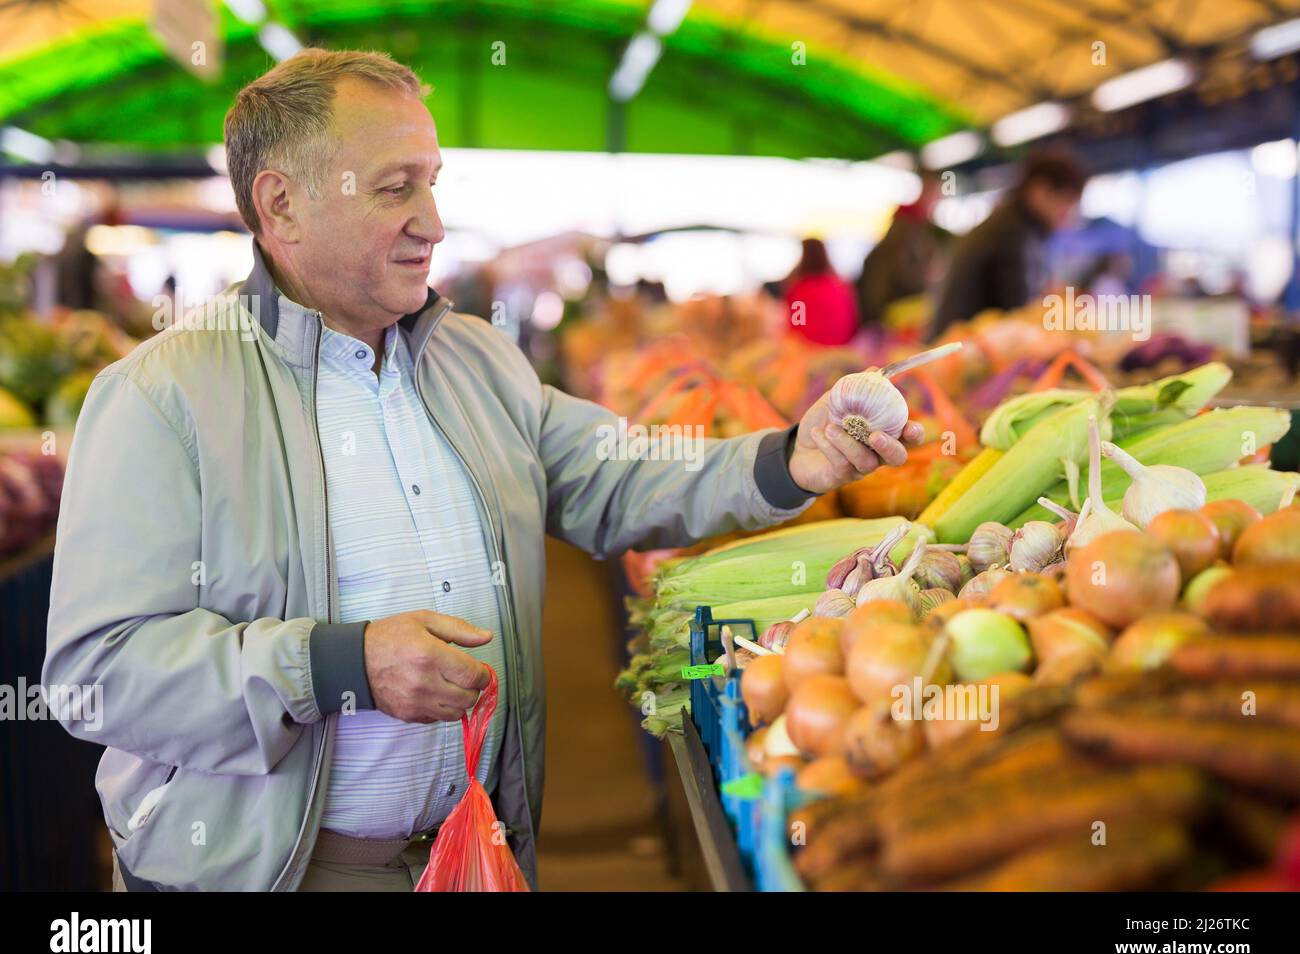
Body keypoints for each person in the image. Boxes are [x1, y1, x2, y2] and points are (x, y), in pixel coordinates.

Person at [43, 48, 924, 893]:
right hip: (273, 874)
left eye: (432, 181)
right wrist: (339, 665)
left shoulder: (477, 361)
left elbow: (617, 475)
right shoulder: (162, 397)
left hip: (474, 849)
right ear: (281, 206)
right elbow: (99, 674)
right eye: (396, 188)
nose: (431, 219)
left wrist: (787, 460)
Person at [929, 150, 1087, 339]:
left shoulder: (1012, 222)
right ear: (1040, 191)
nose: (1068, 213)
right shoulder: (1013, 232)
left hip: (959, 341)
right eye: (1066, 201)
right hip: (960, 348)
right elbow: (1019, 312)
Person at [857, 172, 946, 325]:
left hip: (892, 310)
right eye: (934, 194)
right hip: (894, 312)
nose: (936, 201)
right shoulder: (909, 227)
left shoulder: (917, 227)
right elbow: (905, 274)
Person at [784, 238, 859, 346]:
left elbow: (796, 327)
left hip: (810, 352)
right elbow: (852, 323)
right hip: (841, 349)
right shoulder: (840, 287)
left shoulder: (799, 291)